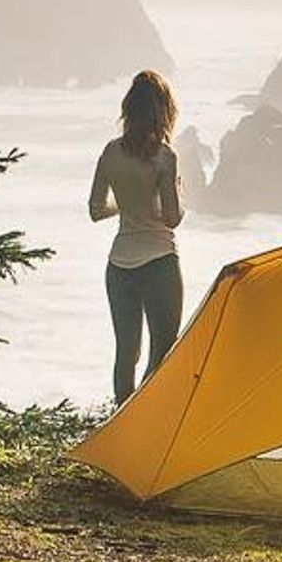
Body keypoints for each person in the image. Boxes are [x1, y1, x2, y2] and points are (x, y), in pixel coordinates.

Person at [89, 69, 185, 403]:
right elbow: (172, 219)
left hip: (119, 265)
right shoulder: (165, 157)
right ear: (163, 110)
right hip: (159, 262)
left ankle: (120, 426)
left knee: (125, 353)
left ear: (129, 109)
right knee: (163, 351)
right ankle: (142, 422)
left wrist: (128, 204)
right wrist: (173, 195)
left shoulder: (110, 152)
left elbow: (96, 210)